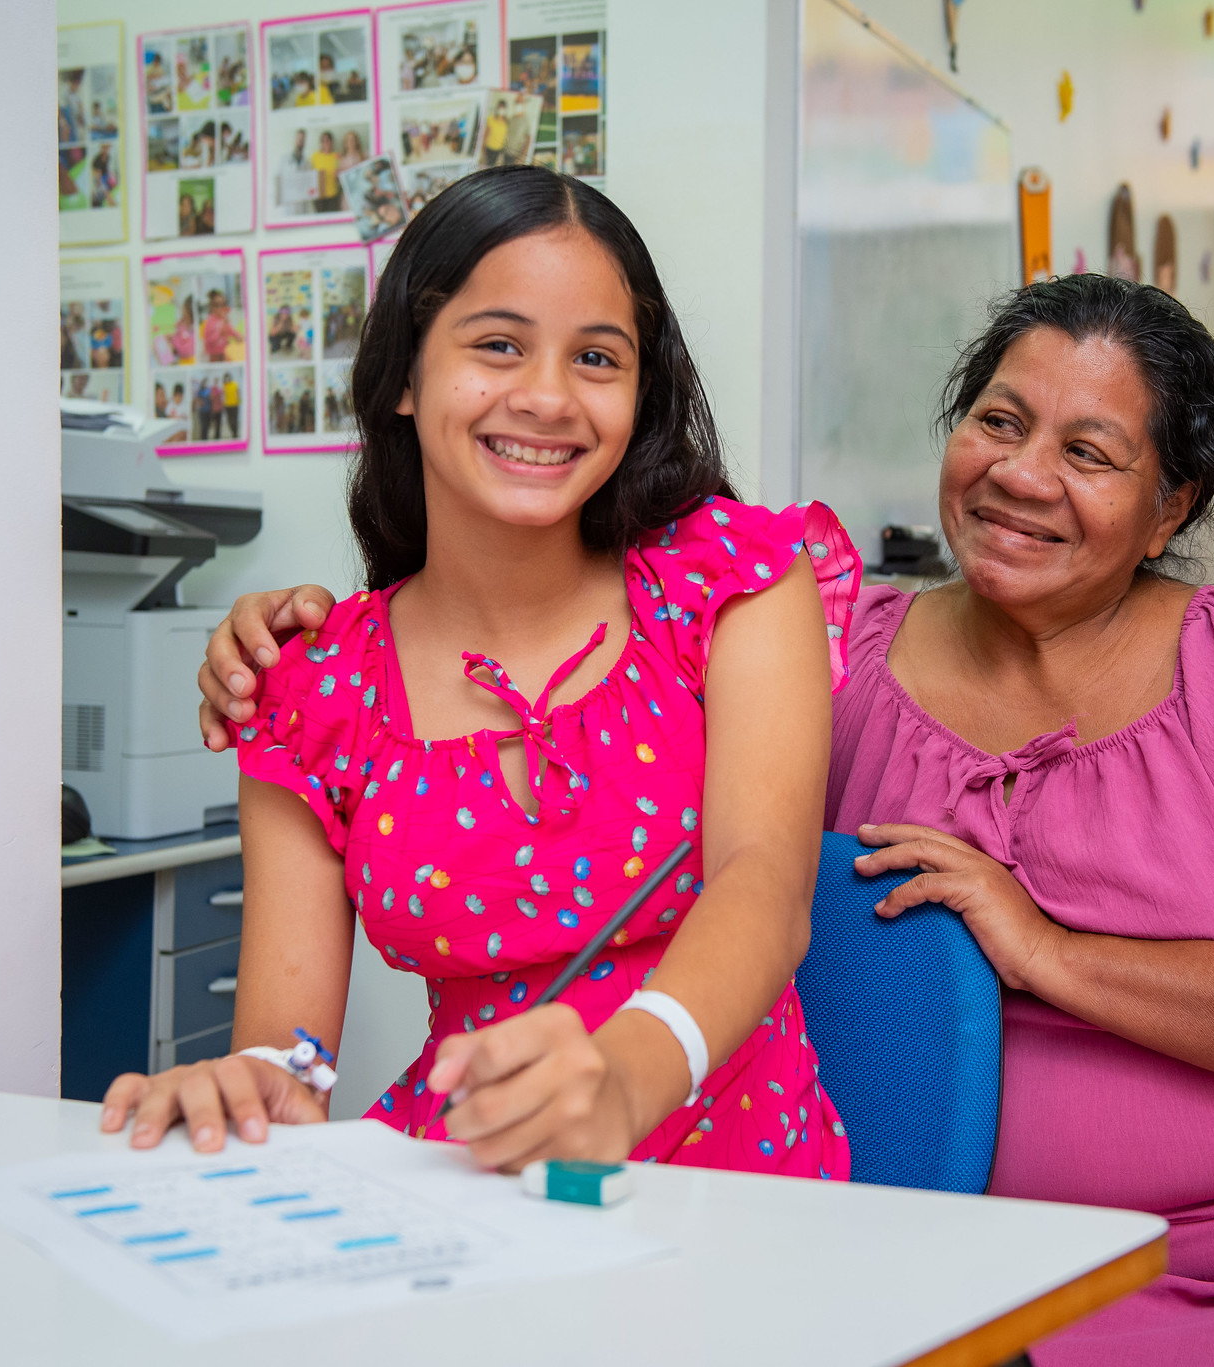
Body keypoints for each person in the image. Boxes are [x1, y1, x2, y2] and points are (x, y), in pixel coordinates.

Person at [194, 274, 1214, 1363]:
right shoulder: (830, 654)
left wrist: (1051, 951)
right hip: (1004, 1275)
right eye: (1001, 421)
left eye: (1090, 450)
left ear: (1173, 506)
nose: (1024, 474)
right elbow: (565, 672)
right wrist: (302, 639)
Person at [104, 166, 855, 1186]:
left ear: (639, 394)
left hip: (730, 1187)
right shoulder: (311, 688)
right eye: (498, 344)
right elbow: (295, 1053)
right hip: (467, 1198)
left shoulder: (729, 584)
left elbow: (761, 884)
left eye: (596, 357)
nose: (546, 396)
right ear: (406, 376)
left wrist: (625, 1078)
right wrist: (253, 1083)